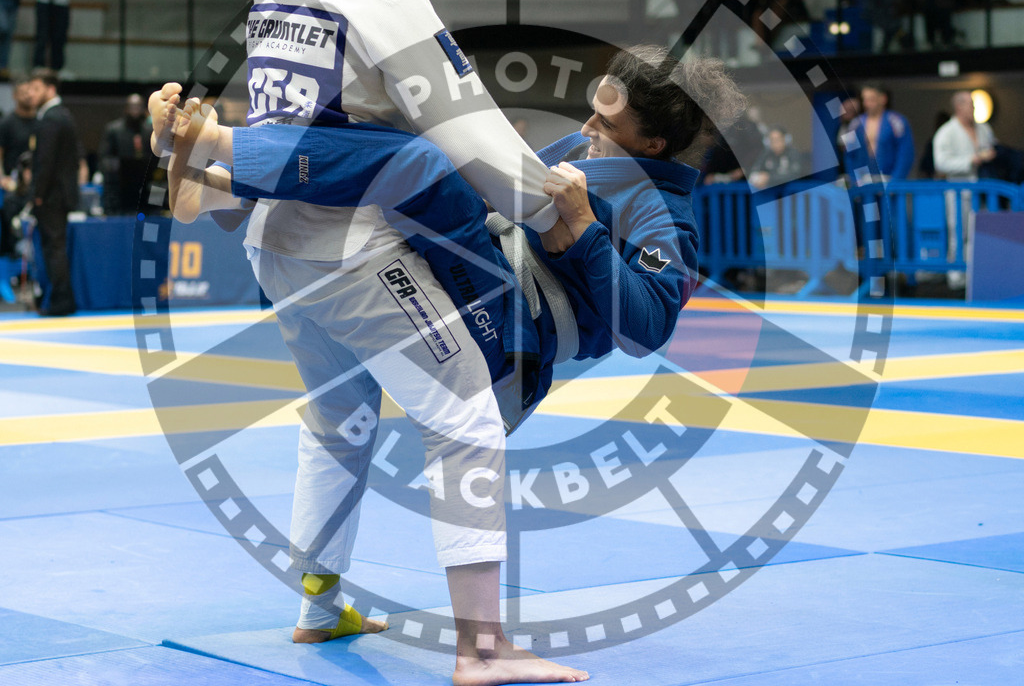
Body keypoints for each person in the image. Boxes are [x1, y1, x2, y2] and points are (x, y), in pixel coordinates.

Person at [151, 0, 600, 686]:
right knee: (466, 418)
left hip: (274, 240)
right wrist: (547, 204)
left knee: (338, 423)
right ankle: (482, 649)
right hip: (350, 245)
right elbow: (459, 120)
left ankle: (320, 610)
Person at [153, 46, 742, 435]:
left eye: (605, 126)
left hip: (518, 338)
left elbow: (648, 330)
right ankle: (216, 188)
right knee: (377, 182)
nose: (585, 130)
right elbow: (494, 194)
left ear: (655, 147)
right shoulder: (577, 153)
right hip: (484, 274)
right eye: (589, 114)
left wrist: (586, 230)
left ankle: (219, 148)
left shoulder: (668, 218)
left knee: (414, 164)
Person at [28, 68, 79, 316]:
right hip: (59, 194)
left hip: (51, 196)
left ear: (50, 90)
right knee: (55, 246)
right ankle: (60, 299)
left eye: (36, 89)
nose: (31, 93)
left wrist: (37, 193)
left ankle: (61, 302)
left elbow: (45, 161)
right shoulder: (62, 115)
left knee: (54, 248)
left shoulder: (51, 118)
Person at [933, 90, 996, 289]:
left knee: (984, 234)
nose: (974, 108)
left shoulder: (983, 129)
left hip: (983, 191)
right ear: (959, 107)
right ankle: (956, 277)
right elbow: (941, 163)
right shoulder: (946, 132)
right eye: (970, 104)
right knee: (958, 233)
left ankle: (980, 275)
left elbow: (995, 148)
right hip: (958, 191)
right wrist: (971, 160)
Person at [844, 83, 915, 182]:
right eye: (865, 99)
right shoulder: (855, 125)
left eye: (871, 99)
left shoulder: (897, 122)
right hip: (863, 180)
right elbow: (849, 155)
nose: (867, 103)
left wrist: (896, 181)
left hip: (888, 178)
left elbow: (905, 154)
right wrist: (855, 180)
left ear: (883, 99)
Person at [100, 93, 153, 214]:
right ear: (126, 108)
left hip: (145, 185)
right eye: (132, 106)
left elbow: (156, 158)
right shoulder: (114, 129)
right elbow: (105, 157)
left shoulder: (150, 131)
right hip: (120, 185)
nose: (135, 110)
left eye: (138, 106)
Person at [0, 77, 38, 191]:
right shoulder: (7, 123)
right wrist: (2, 178)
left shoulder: (42, 121)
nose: (28, 96)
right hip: (12, 184)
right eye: (23, 92)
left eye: (31, 92)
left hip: (36, 181)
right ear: (15, 95)